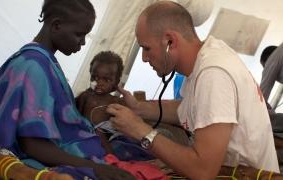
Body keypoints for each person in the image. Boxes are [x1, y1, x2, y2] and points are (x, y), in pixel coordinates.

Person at [106, 1, 280, 179]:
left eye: (146, 48)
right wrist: (140, 109)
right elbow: (194, 108)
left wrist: (140, 130)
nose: (143, 58)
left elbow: (202, 172)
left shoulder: (213, 74)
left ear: (170, 41)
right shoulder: (209, 56)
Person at [0, 0, 134, 179]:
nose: (81, 43)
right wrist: (95, 167)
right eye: (79, 35)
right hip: (49, 156)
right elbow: (32, 144)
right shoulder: (34, 67)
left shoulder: (41, 60)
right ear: (56, 25)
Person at [75, 51, 124, 126]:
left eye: (107, 80)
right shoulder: (85, 96)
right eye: (95, 77)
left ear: (116, 82)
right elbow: (74, 116)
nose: (99, 83)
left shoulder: (115, 102)